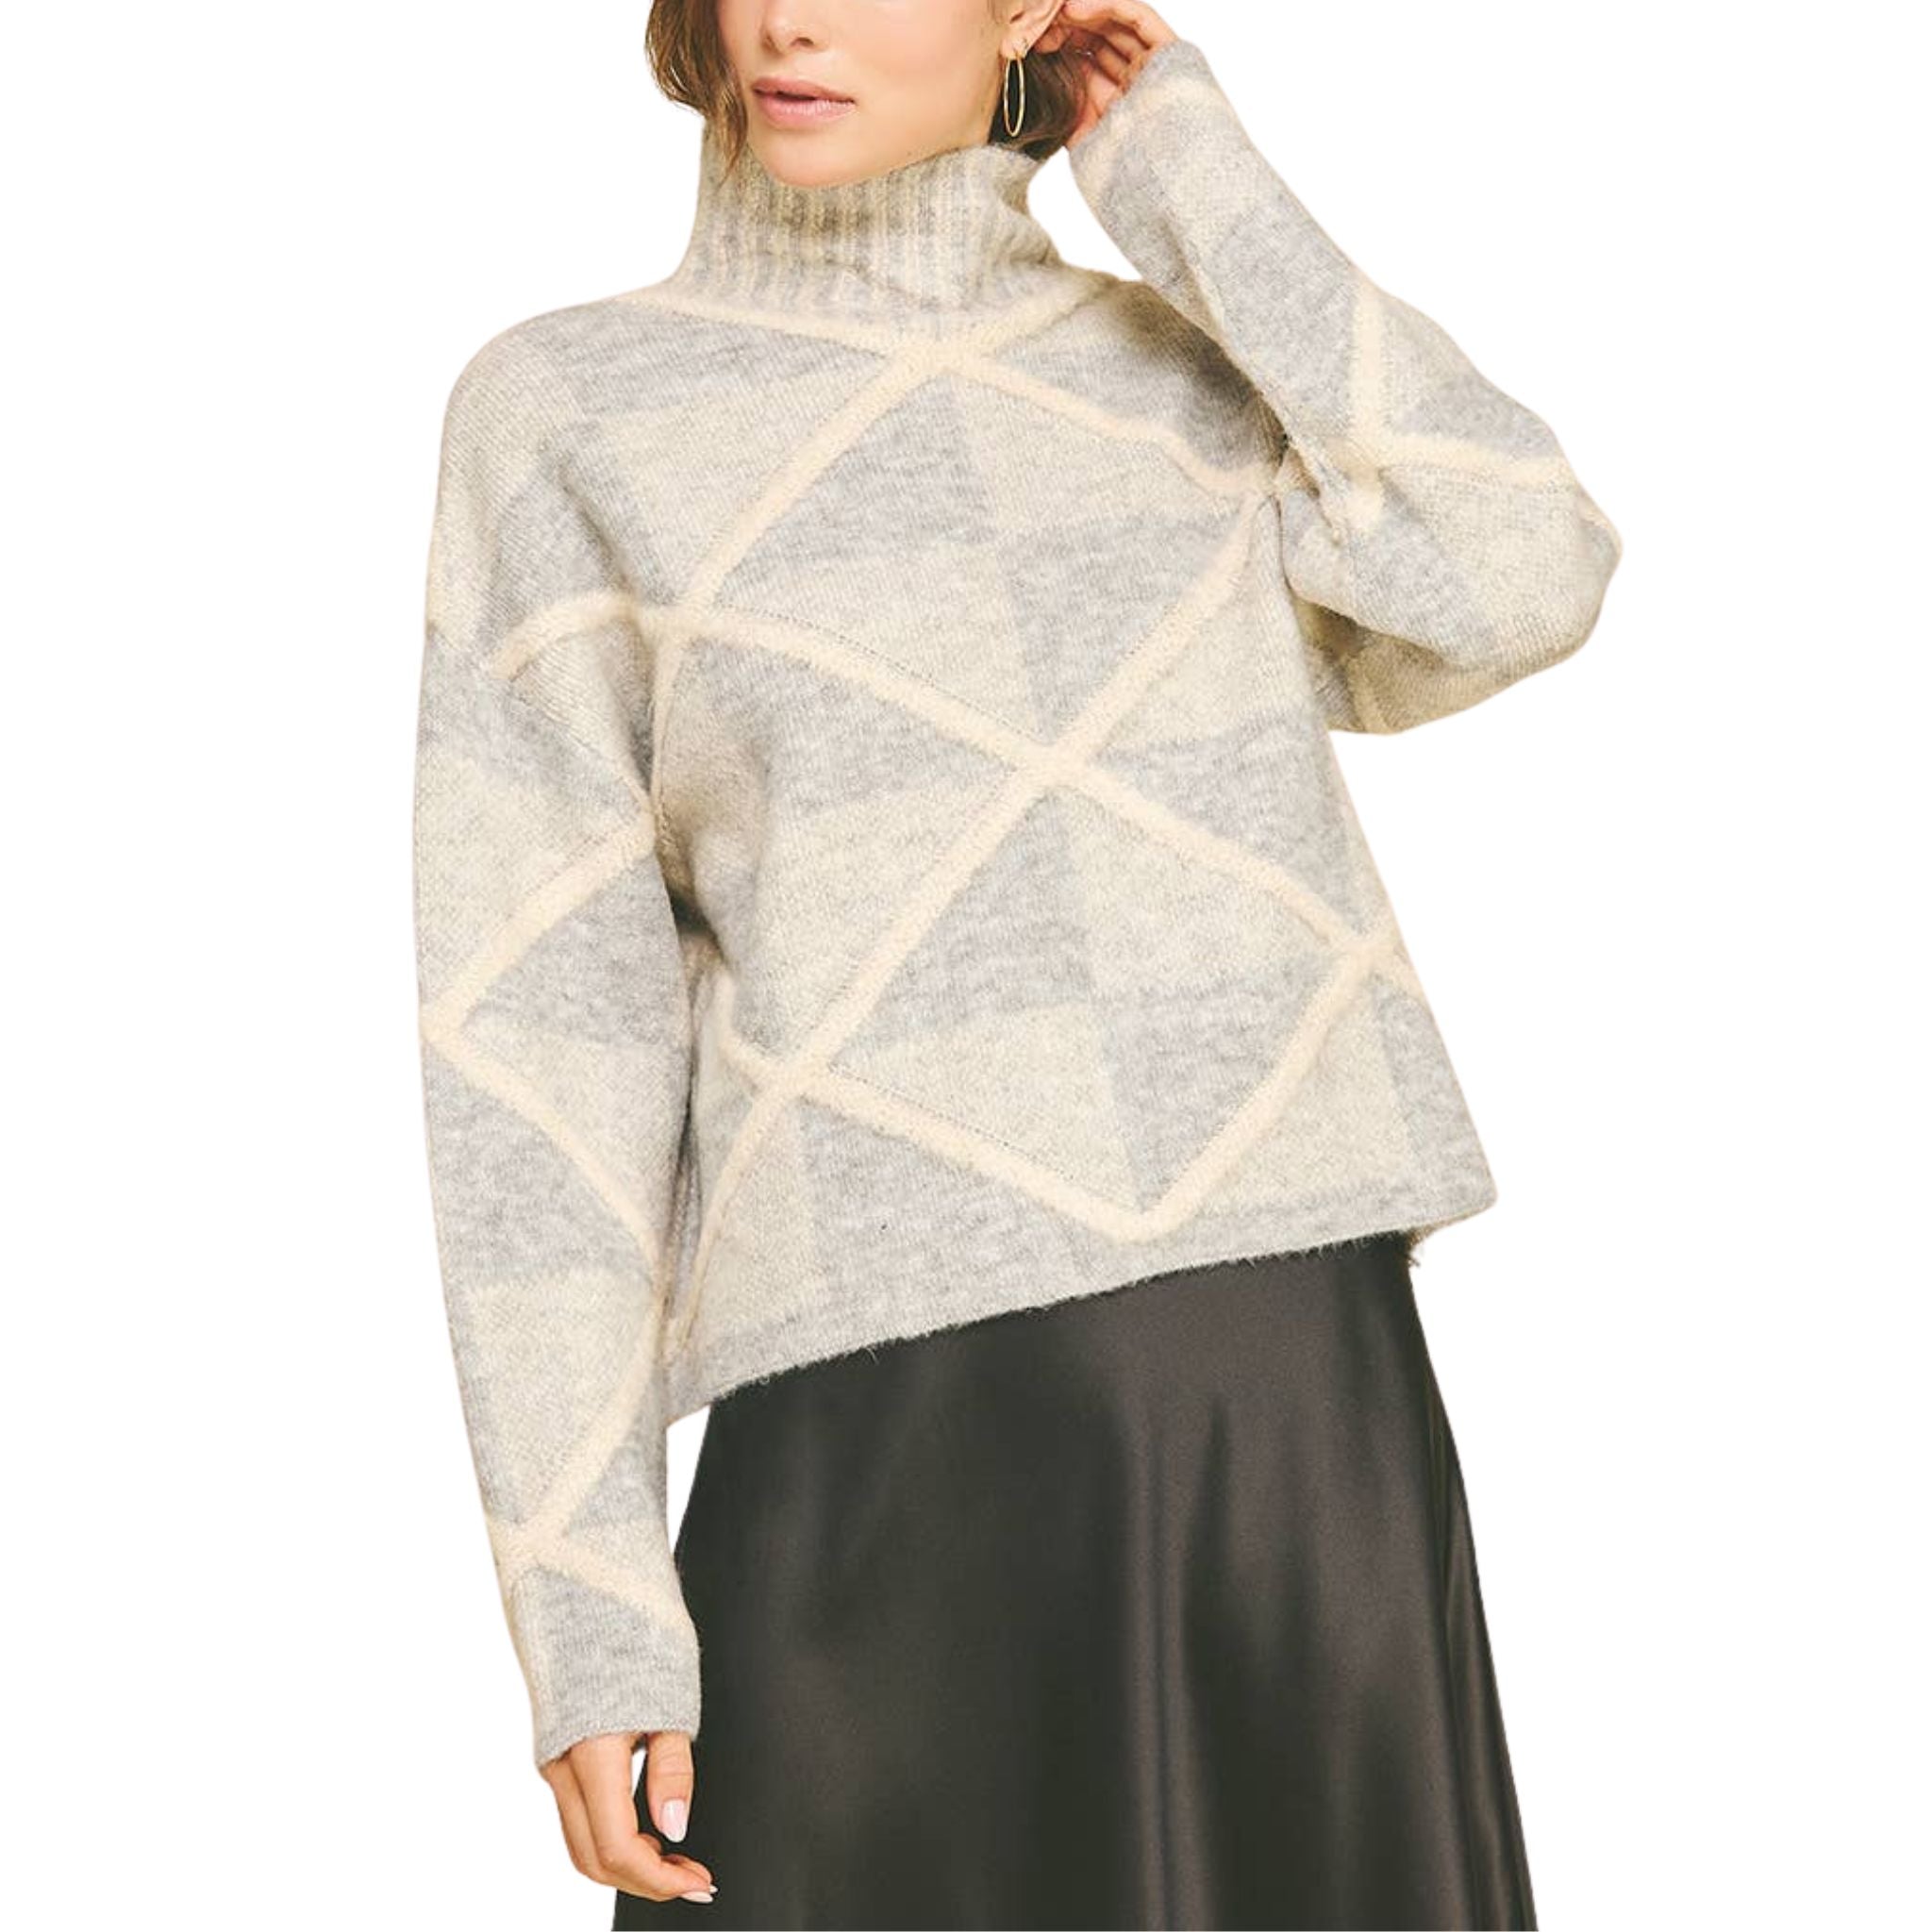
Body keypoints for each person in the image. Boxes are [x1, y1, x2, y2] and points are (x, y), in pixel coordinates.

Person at [410, 0, 1620, 1924]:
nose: (790, 19)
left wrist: (1180, 161)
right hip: (875, 1437)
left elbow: (1520, 569)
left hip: (1274, 1421)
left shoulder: (1184, 378)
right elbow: (542, 1047)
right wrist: (586, 1604)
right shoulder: (568, 412)